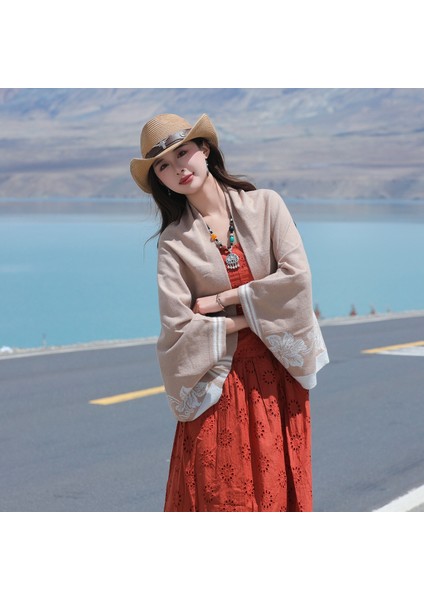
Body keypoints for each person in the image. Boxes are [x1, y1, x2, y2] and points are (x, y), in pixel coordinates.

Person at [130, 113, 329, 512]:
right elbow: (178, 327)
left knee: (277, 497)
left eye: (182, 153)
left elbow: (296, 281)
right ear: (160, 181)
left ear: (205, 150)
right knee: (222, 498)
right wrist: (251, 317)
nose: (177, 169)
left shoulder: (266, 205)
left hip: (278, 378)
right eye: (163, 166)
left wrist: (222, 302)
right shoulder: (174, 243)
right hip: (218, 385)